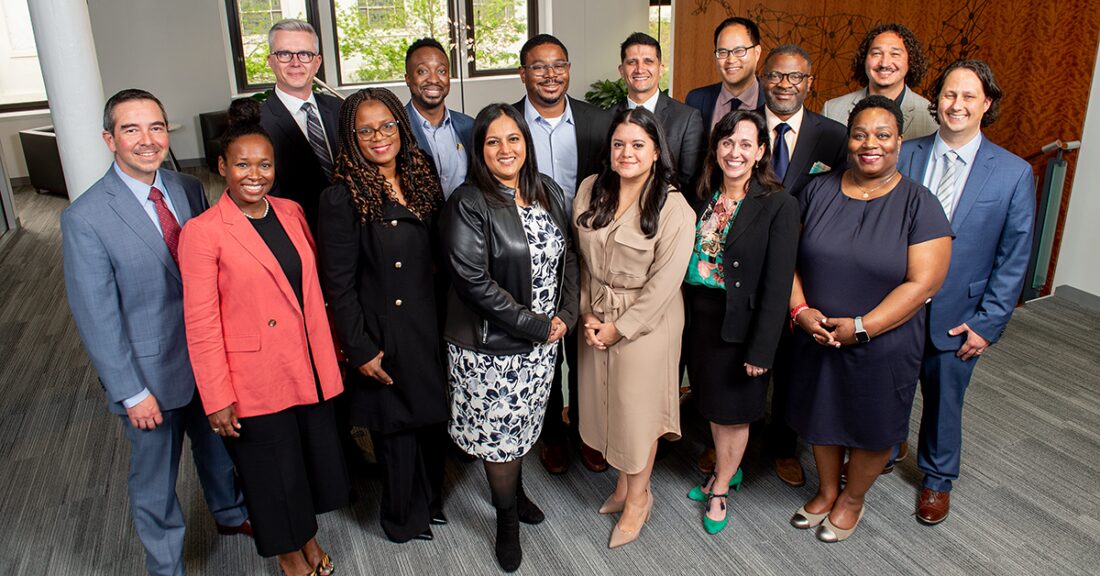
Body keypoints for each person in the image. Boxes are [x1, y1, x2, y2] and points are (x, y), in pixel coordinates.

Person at [61, 89, 250, 576]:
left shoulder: (188, 188)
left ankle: (230, 515)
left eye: (157, 127)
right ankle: (165, 566)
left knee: (218, 451)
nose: (147, 140)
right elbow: (96, 317)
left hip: (204, 363)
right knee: (155, 480)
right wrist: (131, 392)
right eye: (132, 129)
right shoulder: (85, 217)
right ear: (110, 139)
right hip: (148, 378)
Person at [179, 99, 350, 575]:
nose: (254, 174)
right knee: (272, 472)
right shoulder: (202, 233)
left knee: (307, 463)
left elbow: (311, 293)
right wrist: (216, 395)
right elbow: (201, 322)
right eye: (242, 164)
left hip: (307, 364)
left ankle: (308, 537)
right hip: (252, 376)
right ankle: (289, 555)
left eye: (264, 164)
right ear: (222, 167)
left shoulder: (292, 212)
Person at [786, 95, 952, 542]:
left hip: (885, 341)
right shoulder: (817, 190)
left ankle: (852, 498)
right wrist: (800, 311)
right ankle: (824, 491)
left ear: (899, 141)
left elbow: (923, 284)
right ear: (848, 140)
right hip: (817, 334)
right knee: (821, 414)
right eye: (859, 134)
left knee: (873, 422)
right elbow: (788, 261)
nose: (869, 144)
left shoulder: (920, 203)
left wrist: (863, 327)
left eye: (882, 135)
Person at [439, 103, 579, 572]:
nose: (505, 149)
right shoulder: (469, 202)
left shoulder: (548, 192)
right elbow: (473, 283)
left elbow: (570, 259)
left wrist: (565, 313)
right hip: (491, 348)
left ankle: (515, 495)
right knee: (500, 436)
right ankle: (506, 524)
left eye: (513, 138)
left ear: (526, 142)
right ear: (479, 149)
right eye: (493, 141)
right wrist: (538, 325)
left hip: (544, 343)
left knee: (520, 430)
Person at [898, 60, 1035, 526]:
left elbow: (1014, 257)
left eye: (968, 97)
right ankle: (879, 451)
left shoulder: (1012, 173)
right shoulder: (904, 153)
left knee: (944, 400)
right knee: (886, 388)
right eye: (949, 95)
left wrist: (988, 323)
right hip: (896, 303)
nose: (956, 105)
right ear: (935, 101)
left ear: (986, 104)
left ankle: (937, 480)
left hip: (960, 313)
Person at [317, 87, 449, 543]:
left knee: (431, 417)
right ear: (350, 137)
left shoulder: (420, 175)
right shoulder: (341, 196)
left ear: (401, 126)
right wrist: (360, 348)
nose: (379, 137)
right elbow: (338, 284)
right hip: (384, 329)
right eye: (365, 130)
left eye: (387, 125)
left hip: (430, 320)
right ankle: (400, 519)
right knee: (397, 426)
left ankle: (431, 503)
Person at [573, 107, 695, 548]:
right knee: (606, 406)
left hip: (647, 322)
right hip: (596, 314)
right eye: (619, 144)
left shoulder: (673, 205)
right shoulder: (590, 189)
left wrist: (619, 328)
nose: (627, 153)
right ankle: (624, 486)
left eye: (638, 144)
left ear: (656, 150)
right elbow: (583, 260)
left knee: (636, 414)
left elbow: (665, 284)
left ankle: (639, 498)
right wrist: (587, 314)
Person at [682, 110, 799, 535]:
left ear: (761, 152)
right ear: (716, 148)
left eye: (746, 144)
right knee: (713, 405)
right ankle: (727, 471)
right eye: (728, 142)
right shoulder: (701, 196)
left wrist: (762, 349)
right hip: (701, 319)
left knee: (736, 414)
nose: (735, 152)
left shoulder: (778, 205)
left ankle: (720, 491)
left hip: (745, 326)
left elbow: (778, 283)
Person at [512, 33, 611, 474]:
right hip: (528, 252)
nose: (550, 74)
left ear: (568, 69)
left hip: (587, 250)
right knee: (542, 342)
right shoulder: (506, 124)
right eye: (539, 66)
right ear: (523, 73)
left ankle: (589, 432)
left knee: (586, 347)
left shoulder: (597, 121)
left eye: (558, 65)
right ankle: (551, 434)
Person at [758, 44, 848, 488]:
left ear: (809, 83)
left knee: (792, 364)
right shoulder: (742, 127)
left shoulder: (833, 136)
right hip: (748, 265)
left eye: (795, 77)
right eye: (775, 76)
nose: (784, 85)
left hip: (804, 269)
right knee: (742, 352)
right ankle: (727, 438)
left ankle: (782, 445)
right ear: (763, 79)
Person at [260, 18, 339, 232]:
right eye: (284, 54)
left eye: (305, 54)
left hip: (354, 235)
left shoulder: (340, 109)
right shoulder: (257, 124)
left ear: (317, 61)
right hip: (299, 234)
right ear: (271, 60)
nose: (296, 63)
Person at [614, 31, 706, 191]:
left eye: (648, 61)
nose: (639, 69)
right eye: (632, 62)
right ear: (622, 70)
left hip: (669, 210)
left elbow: (690, 182)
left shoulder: (687, 118)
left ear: (660, 68)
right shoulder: (605, 118)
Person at [822, 23, 937, 140]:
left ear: (910, 60)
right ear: (864, 59)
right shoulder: (832, 110)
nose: (884, 63)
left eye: (895, 54)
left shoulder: (930, 115)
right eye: (876, 53)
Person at [403, 37, 474, 198]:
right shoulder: (395, 129)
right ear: (408, 78)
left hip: (464, 221)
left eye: (441, 71)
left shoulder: (469, 126)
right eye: (422, 71)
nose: (434, 79)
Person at [685, 16, 764, 133]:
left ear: (757, 53)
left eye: (739, 51)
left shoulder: (772, 100)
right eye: (722, 52)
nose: (731, 60)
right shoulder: (696, 100)